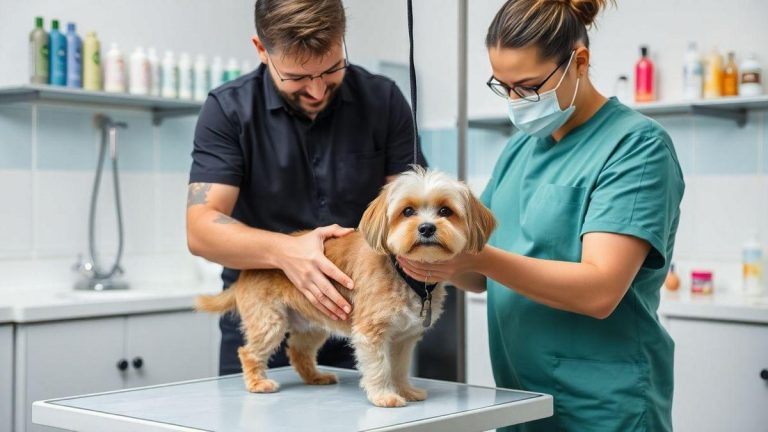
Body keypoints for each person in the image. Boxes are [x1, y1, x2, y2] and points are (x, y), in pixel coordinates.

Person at [397, 0, 683, 430]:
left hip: (604, 408)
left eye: (528, 87)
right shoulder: (520, 148)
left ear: (579, 62)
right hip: (520, 401)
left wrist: (475, 259)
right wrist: (430, 255)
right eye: (504, 86)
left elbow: (599, 291)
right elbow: (477, 276)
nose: (515, 100)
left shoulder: (635, 147)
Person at [186, 0, 426, 375]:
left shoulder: (383, 100)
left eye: (332, 70)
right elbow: (201, 230)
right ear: (262, 50)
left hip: (364, 317)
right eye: (297, 77)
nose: (316, 90)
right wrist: (287, 252)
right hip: (270, 306)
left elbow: (411, 208)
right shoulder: (228, 110)